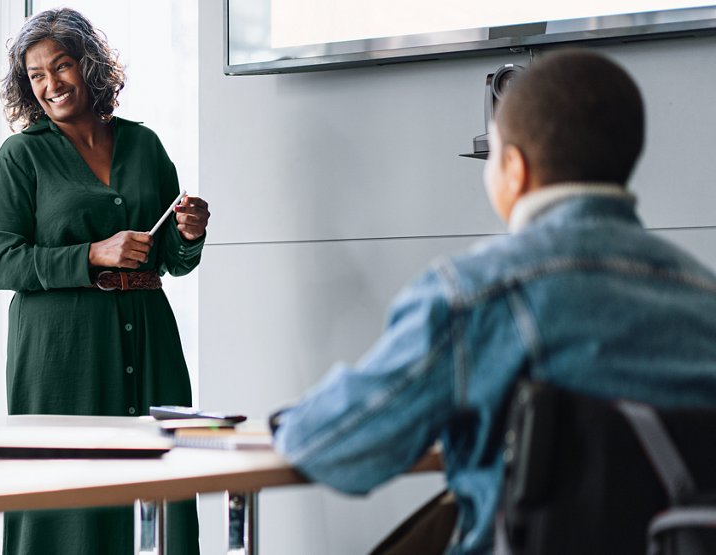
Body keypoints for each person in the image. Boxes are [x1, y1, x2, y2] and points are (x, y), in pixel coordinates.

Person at [270, 49, 716, 554]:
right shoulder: (704, 295)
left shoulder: (475, 295)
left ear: (513, 167)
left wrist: (291, 421)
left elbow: (337, 445)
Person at [0, 8, 209, 555]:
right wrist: (92, 255)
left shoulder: (145, 146)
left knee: (161, 486)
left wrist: (189, 233)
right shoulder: (20, 156)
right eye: (36, 75)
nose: (51, 84)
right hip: (62, 353)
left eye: (61, 66)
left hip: (151, 341)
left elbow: (171, 260)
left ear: (89, 66)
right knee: (66, 499)